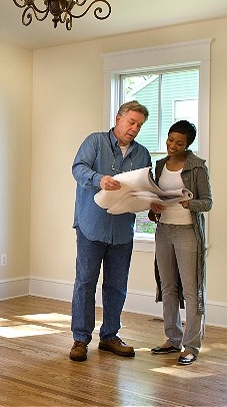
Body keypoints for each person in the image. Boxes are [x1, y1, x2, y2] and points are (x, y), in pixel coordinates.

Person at [69, 100, 152, 362]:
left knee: (117, 286)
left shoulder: (142, 154)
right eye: (131, 122)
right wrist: (99, 179)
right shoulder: (95, 142)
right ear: (118, 118)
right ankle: (80, 339)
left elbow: (145, 187)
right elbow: (78, 168)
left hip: (122, 231)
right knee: (85, 283)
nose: (135, 129)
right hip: (91, 227)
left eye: (139, 125)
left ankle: (109, 336)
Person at [148, 120, 212, 366]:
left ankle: (191, 346)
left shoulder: (197, 167)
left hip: (188, 232)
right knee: (167, 287)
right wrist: (153, 209)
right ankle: (172, 339)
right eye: (170, 139)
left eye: (179, 142)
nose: (172, 145)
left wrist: (189, 203)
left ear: (188, 145)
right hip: (163, 230)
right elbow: (156, 197)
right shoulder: (161, 165)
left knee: (191, 289)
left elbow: (208, 202)